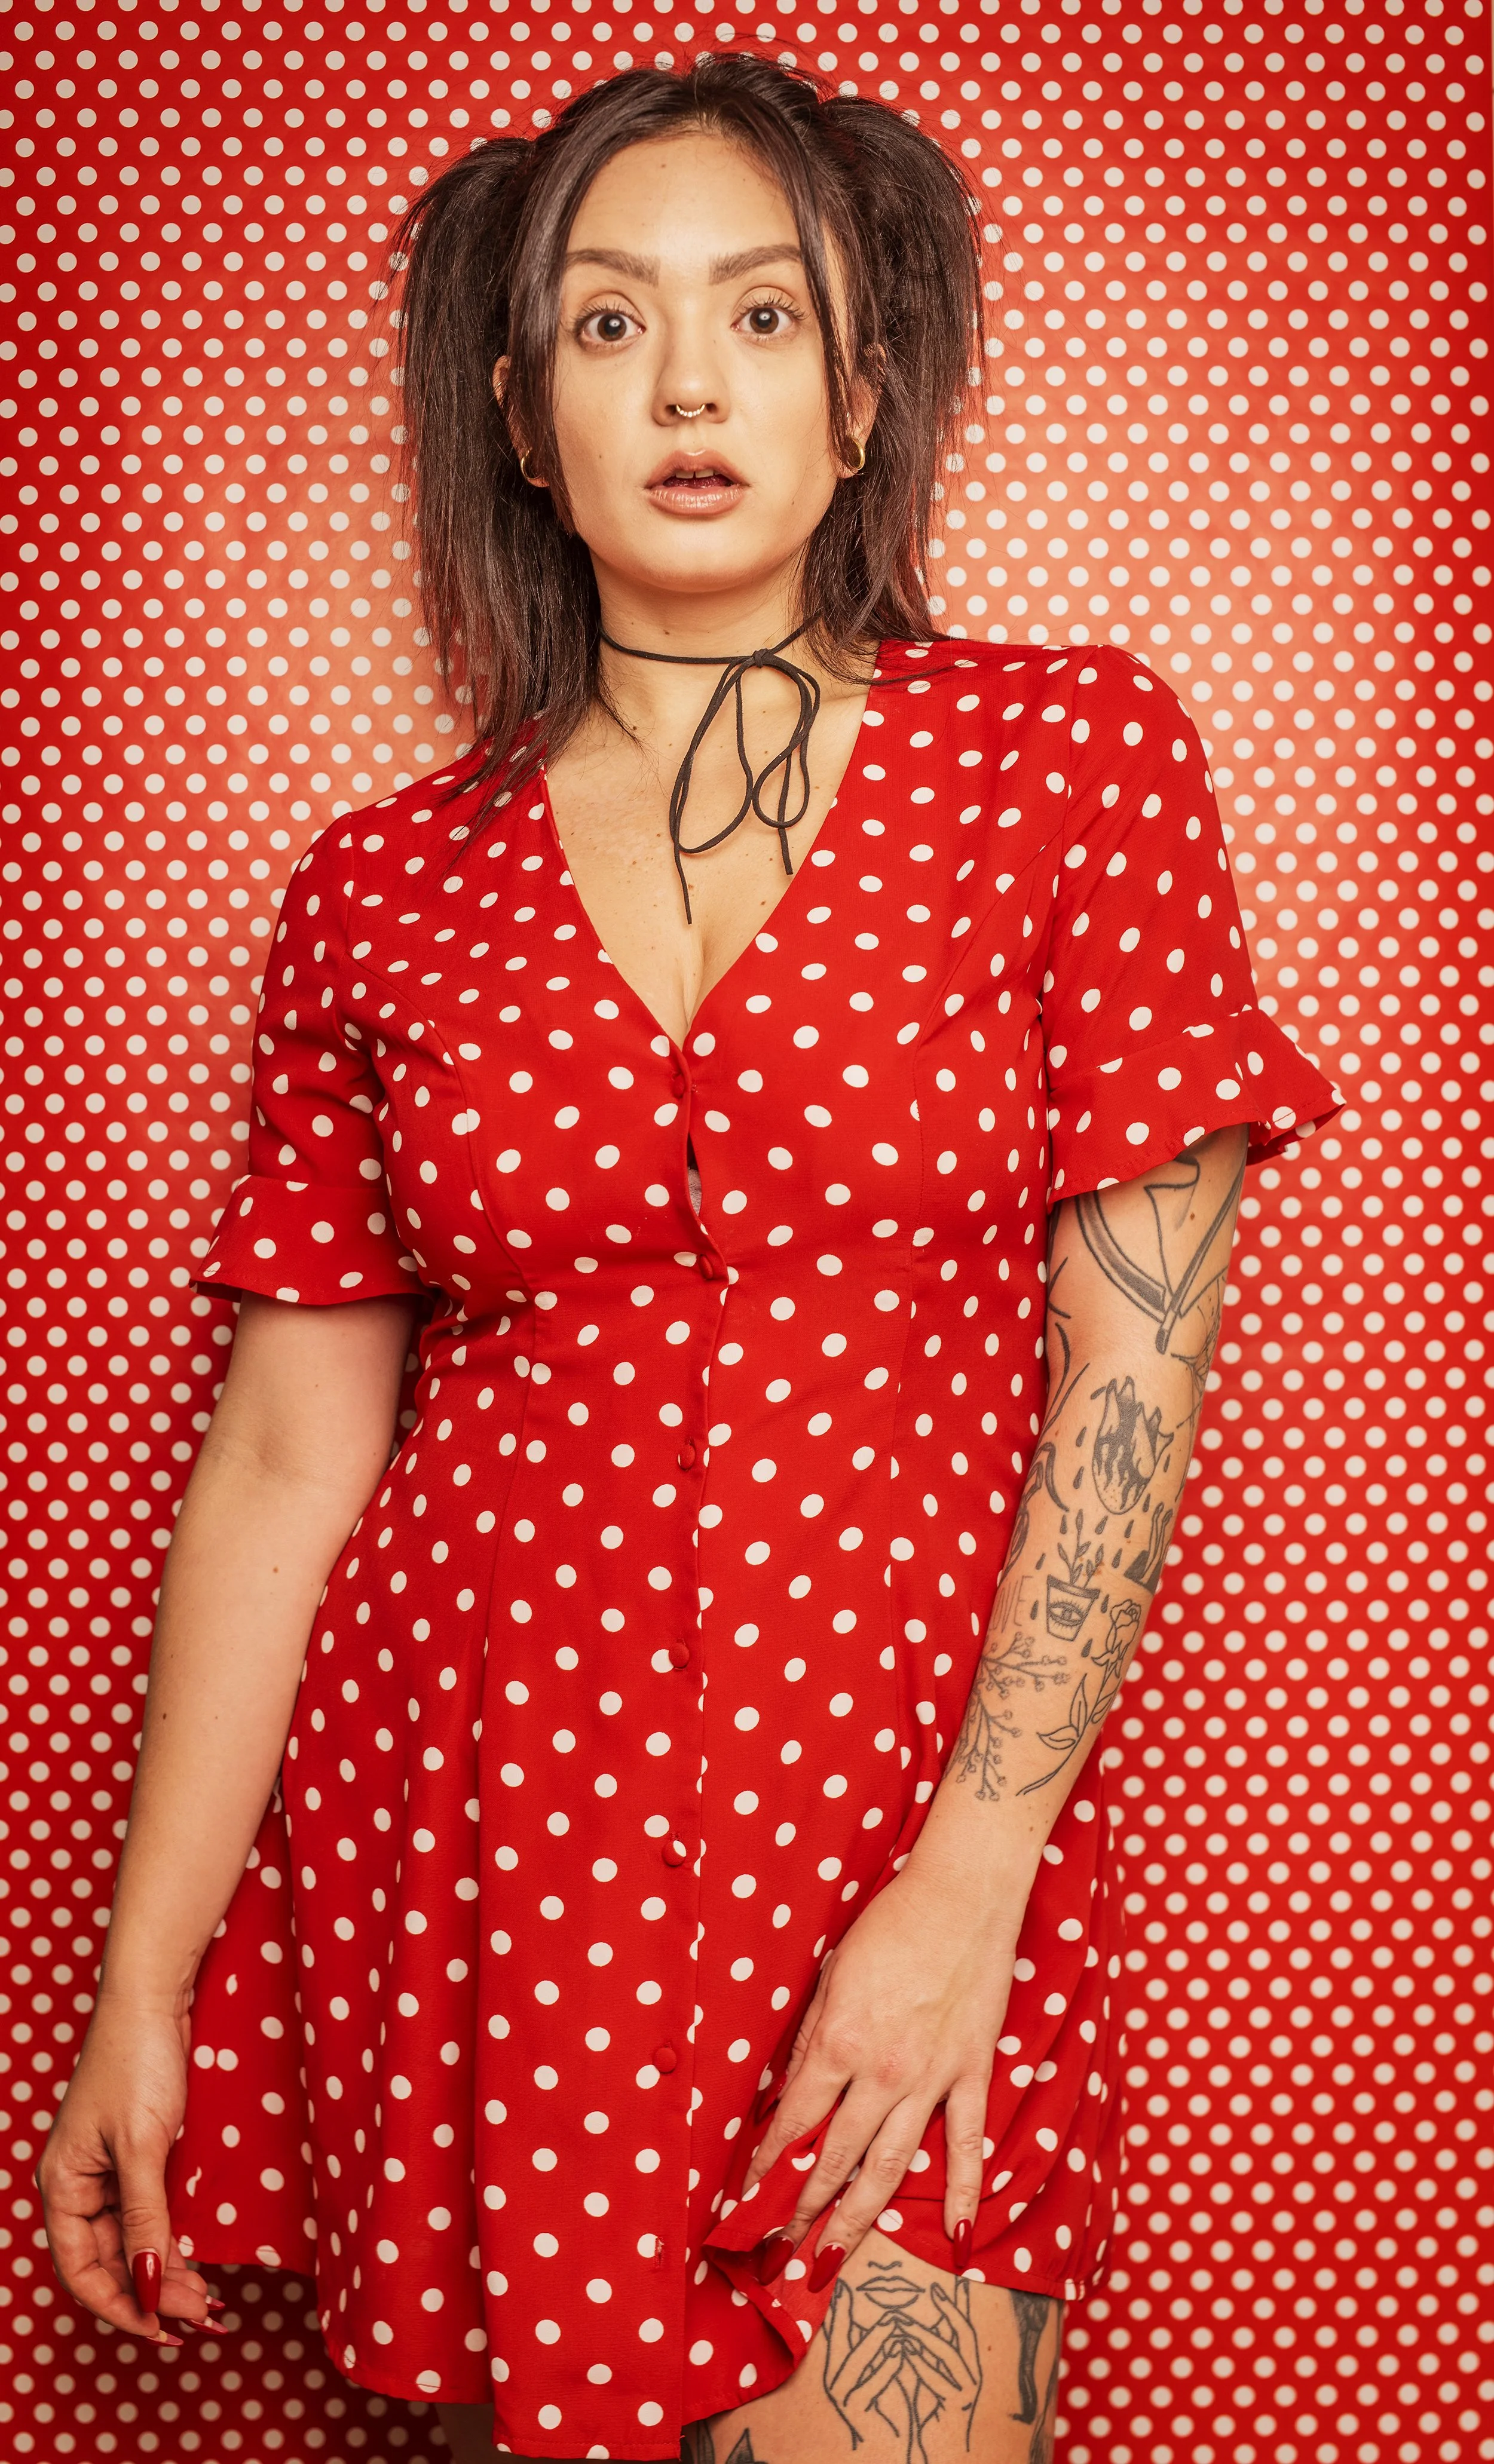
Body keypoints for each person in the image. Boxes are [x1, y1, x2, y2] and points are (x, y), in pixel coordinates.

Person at [37, 53, 1342, 2464]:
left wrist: (967, 1885)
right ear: (526, 423)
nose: (691, 382)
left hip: (895, 1825)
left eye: (761, 316)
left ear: (860, 396)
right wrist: (145, 1981)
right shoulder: (378, 885)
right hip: (472, 1852)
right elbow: (285, 1466)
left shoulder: (1065, 758)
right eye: (610, 327)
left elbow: (1129, 1376)